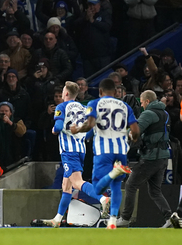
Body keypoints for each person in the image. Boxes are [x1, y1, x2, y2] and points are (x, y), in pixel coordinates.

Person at [71, 78, 140, 229]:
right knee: (116, 187)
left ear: (100, 91)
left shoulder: (94, 103)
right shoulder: (125, 106)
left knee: (97, 189)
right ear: (115, 92)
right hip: (121, 151)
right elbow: (135, 130)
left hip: (104, 151)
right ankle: (113, 219)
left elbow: (89, 124)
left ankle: (114, 173)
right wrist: (132, 139)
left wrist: (77, 130)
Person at [42, 81, 110, 228]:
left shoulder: (61, 107)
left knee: (77, 182)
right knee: (66, 186)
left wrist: (54, 129)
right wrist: (83, 137)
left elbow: (58, 127)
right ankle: (57, 219)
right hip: (81, 150)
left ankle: (102, 199)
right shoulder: (83, 108)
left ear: (65, 93)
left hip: (69, 151)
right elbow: (91, 128)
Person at [116, 90, 173, 228]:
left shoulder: (148, 113)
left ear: (147, 101)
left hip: (151, 157)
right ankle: (169, 218)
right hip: (163, 157)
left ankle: (125, 218)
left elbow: (135, 131)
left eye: (142, 102)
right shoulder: (165, 113)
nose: (141, 105)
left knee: (131, 185)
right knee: (155, 191)